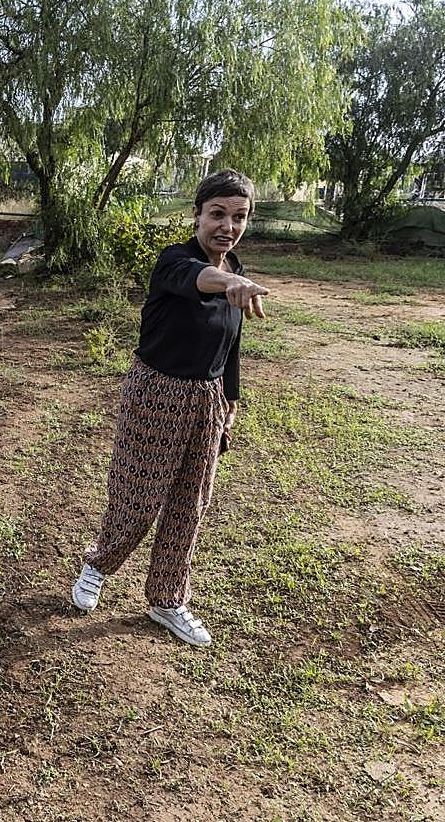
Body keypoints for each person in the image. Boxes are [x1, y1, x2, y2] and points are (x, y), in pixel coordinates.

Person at [70, 169, 269, 647]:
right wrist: (228, 281)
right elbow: (195, 279)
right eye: (217, 214)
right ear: (197, 215)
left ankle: (167, 599)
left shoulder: (234, 269)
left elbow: (231, 345)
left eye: (238, 217)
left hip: (208, 397)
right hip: (156, 392)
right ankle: (98, 565)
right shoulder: (174, 262)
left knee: (189, 502)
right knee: (138, 495)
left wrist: (231, 402)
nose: (227, 225)